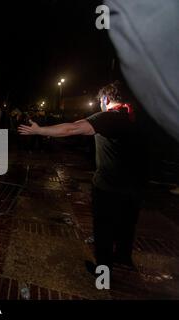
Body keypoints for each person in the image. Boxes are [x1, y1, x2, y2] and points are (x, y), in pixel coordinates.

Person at [18, 81, 145, 274]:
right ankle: (123, 258)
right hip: (135, 187)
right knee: (127, 225)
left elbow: (72, 128)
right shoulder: (136, 118)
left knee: (104, 230)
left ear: (105, 98)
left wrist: (40, 130)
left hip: (109, 188)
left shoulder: (109, 117)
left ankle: (103, 274)